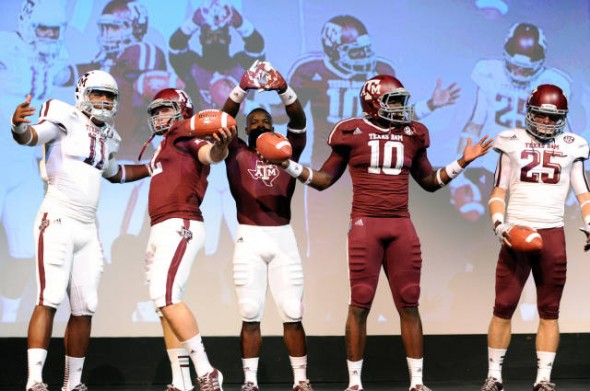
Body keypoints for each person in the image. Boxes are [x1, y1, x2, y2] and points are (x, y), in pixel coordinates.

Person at [274, 74, 492, 391]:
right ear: (374, 103)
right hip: (366, 224)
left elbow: (430, 182)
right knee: (360, 302)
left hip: (401, 224)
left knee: (409, 302)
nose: (402, 108)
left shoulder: (414, 134)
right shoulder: (351, 132)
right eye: (394, 101)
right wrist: (288, 164)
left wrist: (461, 162)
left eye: (402, 101)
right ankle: (354, 383)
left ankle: (417, 383)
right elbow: (323, 180)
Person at [286, 16, 461, 321]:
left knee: (399, 287)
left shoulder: (384, 75)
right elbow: (290, 120)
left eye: (365, 50)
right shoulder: (311, 74)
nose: (364, 58)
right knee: (325, 248)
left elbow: (395, 118)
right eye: (355, 51)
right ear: (333, 48)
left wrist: (431, 105)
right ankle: (320, 308)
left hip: (383, 191)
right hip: (336, 166)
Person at [11, 70, 151, 391]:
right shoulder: (65, 117)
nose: (103, 101)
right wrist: (18, 125)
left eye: (109, 96)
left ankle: (71, 383)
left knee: (85, 306)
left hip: (88, 227)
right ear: (82, 94)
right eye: (98, 94)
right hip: (57, 216)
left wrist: (152, 168)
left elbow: (115, 173)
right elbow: (31, 136)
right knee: (48, 298)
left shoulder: (110, 137)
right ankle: (34, 381)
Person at [480, 84, 590, 391]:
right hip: (517, 231)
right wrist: (500, 224)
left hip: (552, 232)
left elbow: (583, 192)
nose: (546, 123)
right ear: (530, 113)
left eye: (552, 118)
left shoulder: (573, 144)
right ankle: (494, 375)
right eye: (540, 116)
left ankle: (543, 379)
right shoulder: (511, 141)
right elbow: (499, 189)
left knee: (550, 310)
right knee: (504, 305)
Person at [221, 61, 312, 391]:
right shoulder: (236, 152)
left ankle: (301, 381)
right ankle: (249, 382)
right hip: (249, 235)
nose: (259, 124)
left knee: (292, 311)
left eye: (265, 121)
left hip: (282, 236)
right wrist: (241, 88)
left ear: (274, 127)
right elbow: (224, 120)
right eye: (253, 122)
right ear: (245, 130)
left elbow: (299, 120)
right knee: (249, 311)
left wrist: (284, 89)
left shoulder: (287, 151)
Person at [68, 0, 180, 265]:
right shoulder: (104, 63)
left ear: (134, 28)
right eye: (105, 28)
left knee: (120, 240)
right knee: (100, 239)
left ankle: (139, 300)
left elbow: (146, 85)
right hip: (101, 161)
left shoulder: (143, 52)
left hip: (132, 159)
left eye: (115, 28)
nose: (108, 35)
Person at [144, 88, 236, 391]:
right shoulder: (165, 143)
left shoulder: (184, 135)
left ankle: (207, 371)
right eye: (156, 111)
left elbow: (209, 154)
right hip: (160, 225)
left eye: (165, 110)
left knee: (166, 296)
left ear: (183, 111)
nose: (159, 116)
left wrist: (220, 147)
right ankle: (180, 380)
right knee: (163, 305)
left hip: (180, 222)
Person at [168, 0, 265, 263]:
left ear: (228, 39)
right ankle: (204, 281)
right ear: (200, 39)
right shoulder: (192, 64)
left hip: (235, 154)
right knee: (204, 234)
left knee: (242, 230)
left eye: (220, 36)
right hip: (200, 156)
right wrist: (195, 20)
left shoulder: (239, 64)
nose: (214, 40)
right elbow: (175, 47)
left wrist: (237, 20)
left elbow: (257, 48)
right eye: (208, 35)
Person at [452, 22, 572, 222]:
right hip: (493, 164)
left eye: (525, 69)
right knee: (486, 225)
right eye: (514, 66)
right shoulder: (489, 72)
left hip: (533, 168)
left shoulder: (553, 81)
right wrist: (459, 171)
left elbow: (563, 136)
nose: (518, 73)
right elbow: (475, 123)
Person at [0, 0, 70, 323]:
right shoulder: (6, 45)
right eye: (43, 29)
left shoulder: (59, 58)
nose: (49, 37)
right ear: (28, 27)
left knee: (23, 247)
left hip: (23, 161)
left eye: (54, 31)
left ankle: (8, 314)